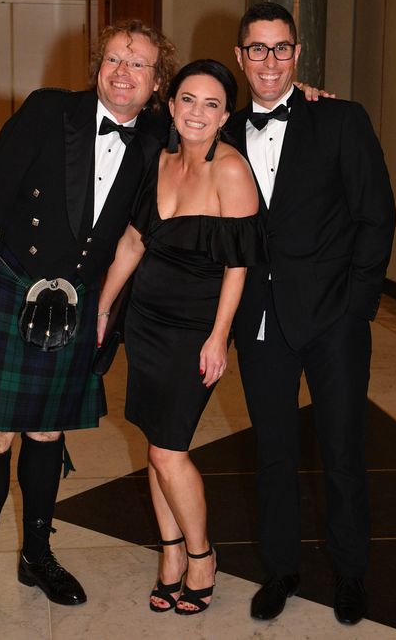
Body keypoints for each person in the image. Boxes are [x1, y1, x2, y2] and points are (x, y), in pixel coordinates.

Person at [0, 19, 178, 640]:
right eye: (115, 59)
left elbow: (221, 120)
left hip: (77, 302)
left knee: (46, 433)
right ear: (99, 63)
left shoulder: (157, 134)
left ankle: (36, 556)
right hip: (12, 288)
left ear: (157, 82)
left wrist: (299, 94)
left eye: (140, 64)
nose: (124, 72)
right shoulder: (51, 111)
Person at [230, 2, 396, 625]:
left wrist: (355, 309)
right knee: (271, 453)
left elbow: (376, 216)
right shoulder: (220, 131)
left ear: (297, 54)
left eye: (280, 48)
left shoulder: (342, 120)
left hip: (333, 320)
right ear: (241, 56)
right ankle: (281, 570)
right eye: (256, 49)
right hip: (260, 323)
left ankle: (351, 572)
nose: (268, 61)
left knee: (344, 451)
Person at [97, 59, 264, 616]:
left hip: (194, 331)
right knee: (156, 441)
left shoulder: (232, 172)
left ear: (224, 117)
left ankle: (201, 556)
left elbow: (240, 267)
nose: (197, 112)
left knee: (171, 450)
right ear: (170, 107)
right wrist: (101, 309)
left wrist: (219, 338)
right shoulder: (163, 162)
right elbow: (131, 243)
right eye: (188, 100)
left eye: (212, 104)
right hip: (145, 321)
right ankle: (170, 555)